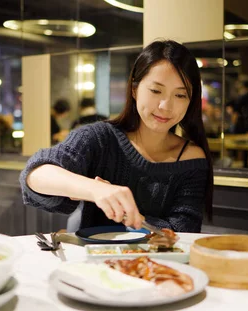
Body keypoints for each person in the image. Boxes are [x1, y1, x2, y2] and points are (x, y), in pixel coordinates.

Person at [20, 40, 213, 232]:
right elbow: (35, 175)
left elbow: (184, 232)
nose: (165, 106)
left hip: (160, 262)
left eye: (180, 95)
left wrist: (132, 216)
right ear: (134, 89)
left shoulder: (191, 158)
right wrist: (95, 189)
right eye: (155, 90)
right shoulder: (100, 138)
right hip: (94, 260)